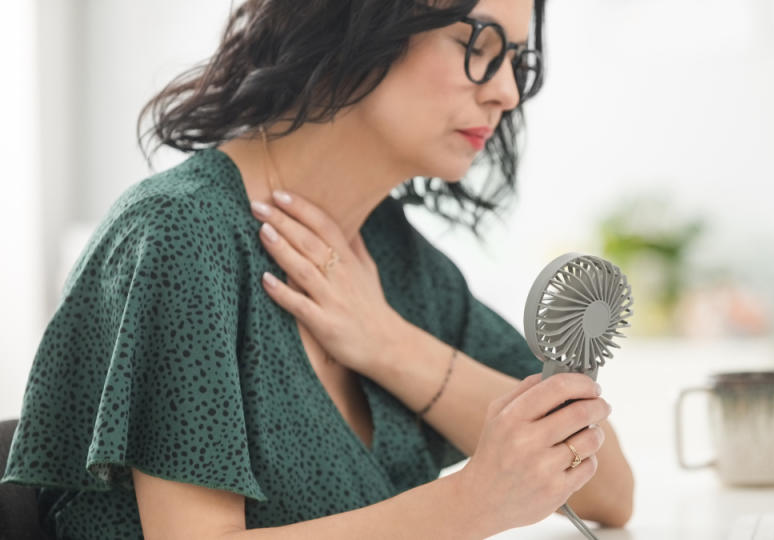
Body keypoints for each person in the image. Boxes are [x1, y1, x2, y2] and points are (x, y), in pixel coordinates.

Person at [1, 0, 635, 537]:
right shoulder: (178, 236)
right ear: (360, 18)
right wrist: (469, 504)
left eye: (516, 61)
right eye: (479, 44)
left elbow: (608, 490)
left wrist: (388, 344)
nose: (506, 91)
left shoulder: (395, 264)